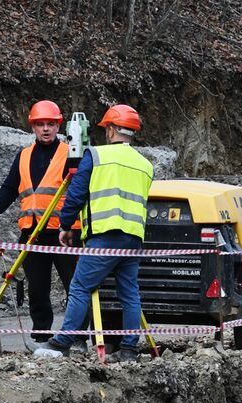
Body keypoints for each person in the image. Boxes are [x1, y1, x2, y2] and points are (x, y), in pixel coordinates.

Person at [33, 104, 153, 362]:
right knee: (129, 293)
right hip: (133, 238)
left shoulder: (96, 156)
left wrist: (65, 225)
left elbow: (76, 194)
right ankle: (129, 349)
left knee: (80, 286)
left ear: (110, 130)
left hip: (104, 236)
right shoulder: (145, 164)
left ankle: (62, 342)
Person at [0, 100, 80, 344]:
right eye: (40, 124)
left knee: (75, 286)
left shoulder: (71, 153)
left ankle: (78, 335)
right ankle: (41, 334)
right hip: (32, 231)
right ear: (33, 127)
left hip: (64, 232)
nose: (46, 129)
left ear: (58, 126)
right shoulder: (24, 155)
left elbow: (80, 189)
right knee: (37, 288)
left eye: (50, 124)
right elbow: (10, 187)